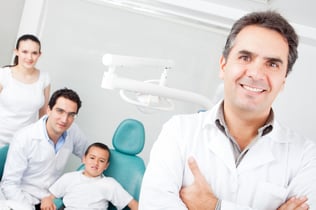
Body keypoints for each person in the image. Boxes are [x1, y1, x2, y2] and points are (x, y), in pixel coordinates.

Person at [139, 11, 316, 210]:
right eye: (245, 57)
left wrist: (214, 206)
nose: (256, 73)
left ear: (283, 81)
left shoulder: (306, 155)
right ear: (223, 66)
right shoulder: (178, 131)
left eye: (272, 64)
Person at [0, 88, 89, 210]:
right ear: (49, 109)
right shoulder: (24, 137)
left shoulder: (73, 131)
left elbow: (90, 156)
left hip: (49, 199)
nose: (64, 119)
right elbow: (10, 184)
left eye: (71, 115)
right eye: (60, 111)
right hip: (21, 198)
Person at [41, 142, 139, 210]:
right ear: (84, 159)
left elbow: (134, 205)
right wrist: (47, 201)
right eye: (92, 158)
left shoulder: (109, 184)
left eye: (101, 161)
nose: (96, 163)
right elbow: (49, 197)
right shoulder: (69, 178)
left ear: (106, 166)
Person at [0, 34, 50, 146]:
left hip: (24, 142)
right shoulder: (3, 75)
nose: (29, 57)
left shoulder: (44, 78)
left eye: (34, 53)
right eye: (25, 52)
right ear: (16, 51)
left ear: (39, 54)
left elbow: (43, 114)